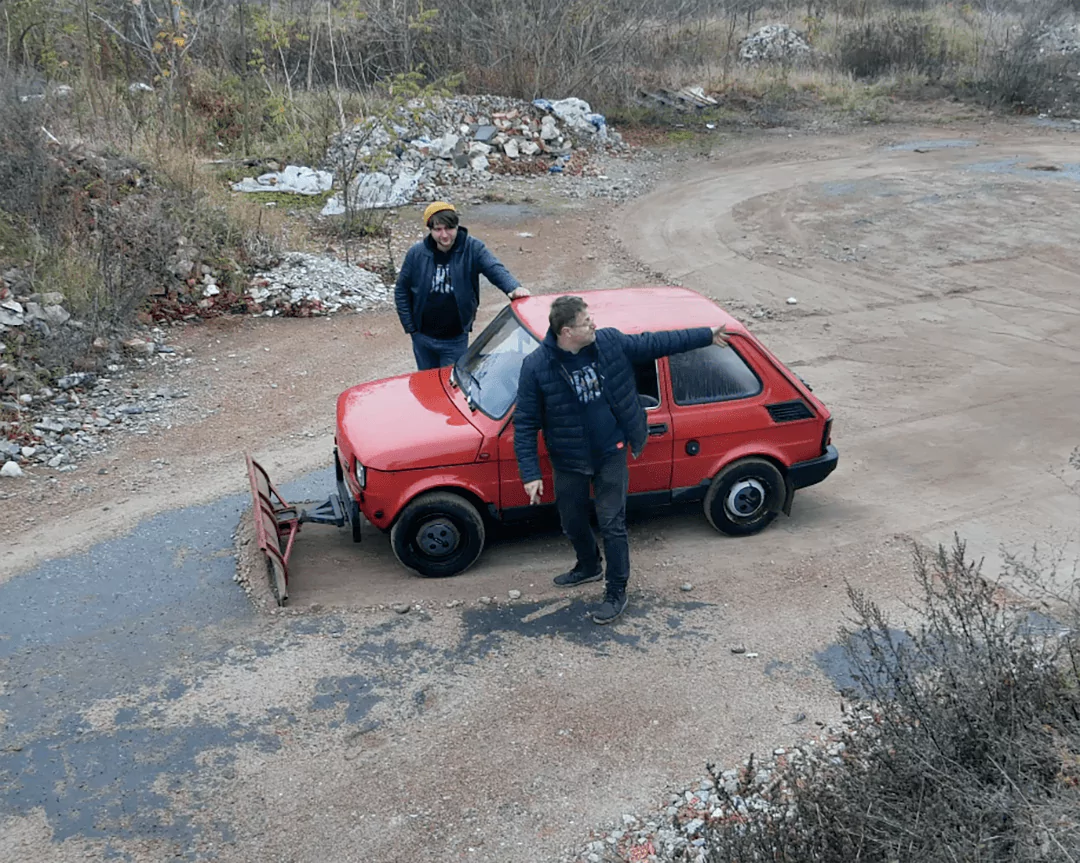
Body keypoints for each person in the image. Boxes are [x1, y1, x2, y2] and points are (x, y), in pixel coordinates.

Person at [513, 295, 731, 625]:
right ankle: (588, 565)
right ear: (567, 331)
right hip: (569, 459)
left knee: (612, 523)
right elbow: (525, 423)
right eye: (587, 322)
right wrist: (530, 473)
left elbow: (655, 343)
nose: (594, 325)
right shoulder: (536, 367)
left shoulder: (610, 343)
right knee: (570, 520)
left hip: (611, 451)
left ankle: (616, 590)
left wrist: (706, 335)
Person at [395, 201, 530, 371]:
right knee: (427, 385)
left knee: (451, 386)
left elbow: (494, 268)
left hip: (455, 340)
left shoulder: (473, 248)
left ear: (457, 226)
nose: (444, 235)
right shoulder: (417, 253)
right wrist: (410, 327)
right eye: (438, 230)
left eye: (449, 228)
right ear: (430, 229)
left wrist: (513, 288)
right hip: (423, 338)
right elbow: (401, 289)